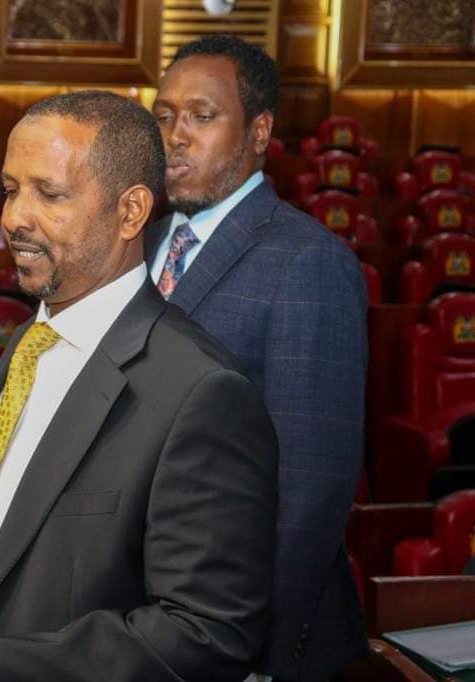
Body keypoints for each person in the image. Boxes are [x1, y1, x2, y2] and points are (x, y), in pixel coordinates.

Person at [0, 90, 279, 681]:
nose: (13, 218)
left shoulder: (202, 393)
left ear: (131, 211)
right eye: (10, 189)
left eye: (48, 194)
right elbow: (18, 541)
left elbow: (205, 635)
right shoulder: (30, 343)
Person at [148, 35, 369, 681]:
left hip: (245, 631)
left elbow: (312, 486)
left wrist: (257, 651)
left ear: (259, 132)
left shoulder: (308, 261)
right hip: (153, 616)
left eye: (202, 116)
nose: (176, 136)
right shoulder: (140, 241)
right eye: (164, 115)